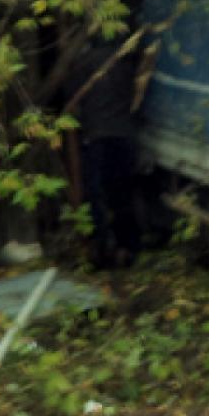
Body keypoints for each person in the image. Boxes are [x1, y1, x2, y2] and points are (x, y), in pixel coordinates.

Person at [64, 29, 142, 269]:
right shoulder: (127, 66)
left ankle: (102, 250)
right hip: (124, 136)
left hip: (96, 138)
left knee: (96, 196)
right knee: (122, 195)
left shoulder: (83, 64)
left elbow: (70, 102)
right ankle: (128, 248)